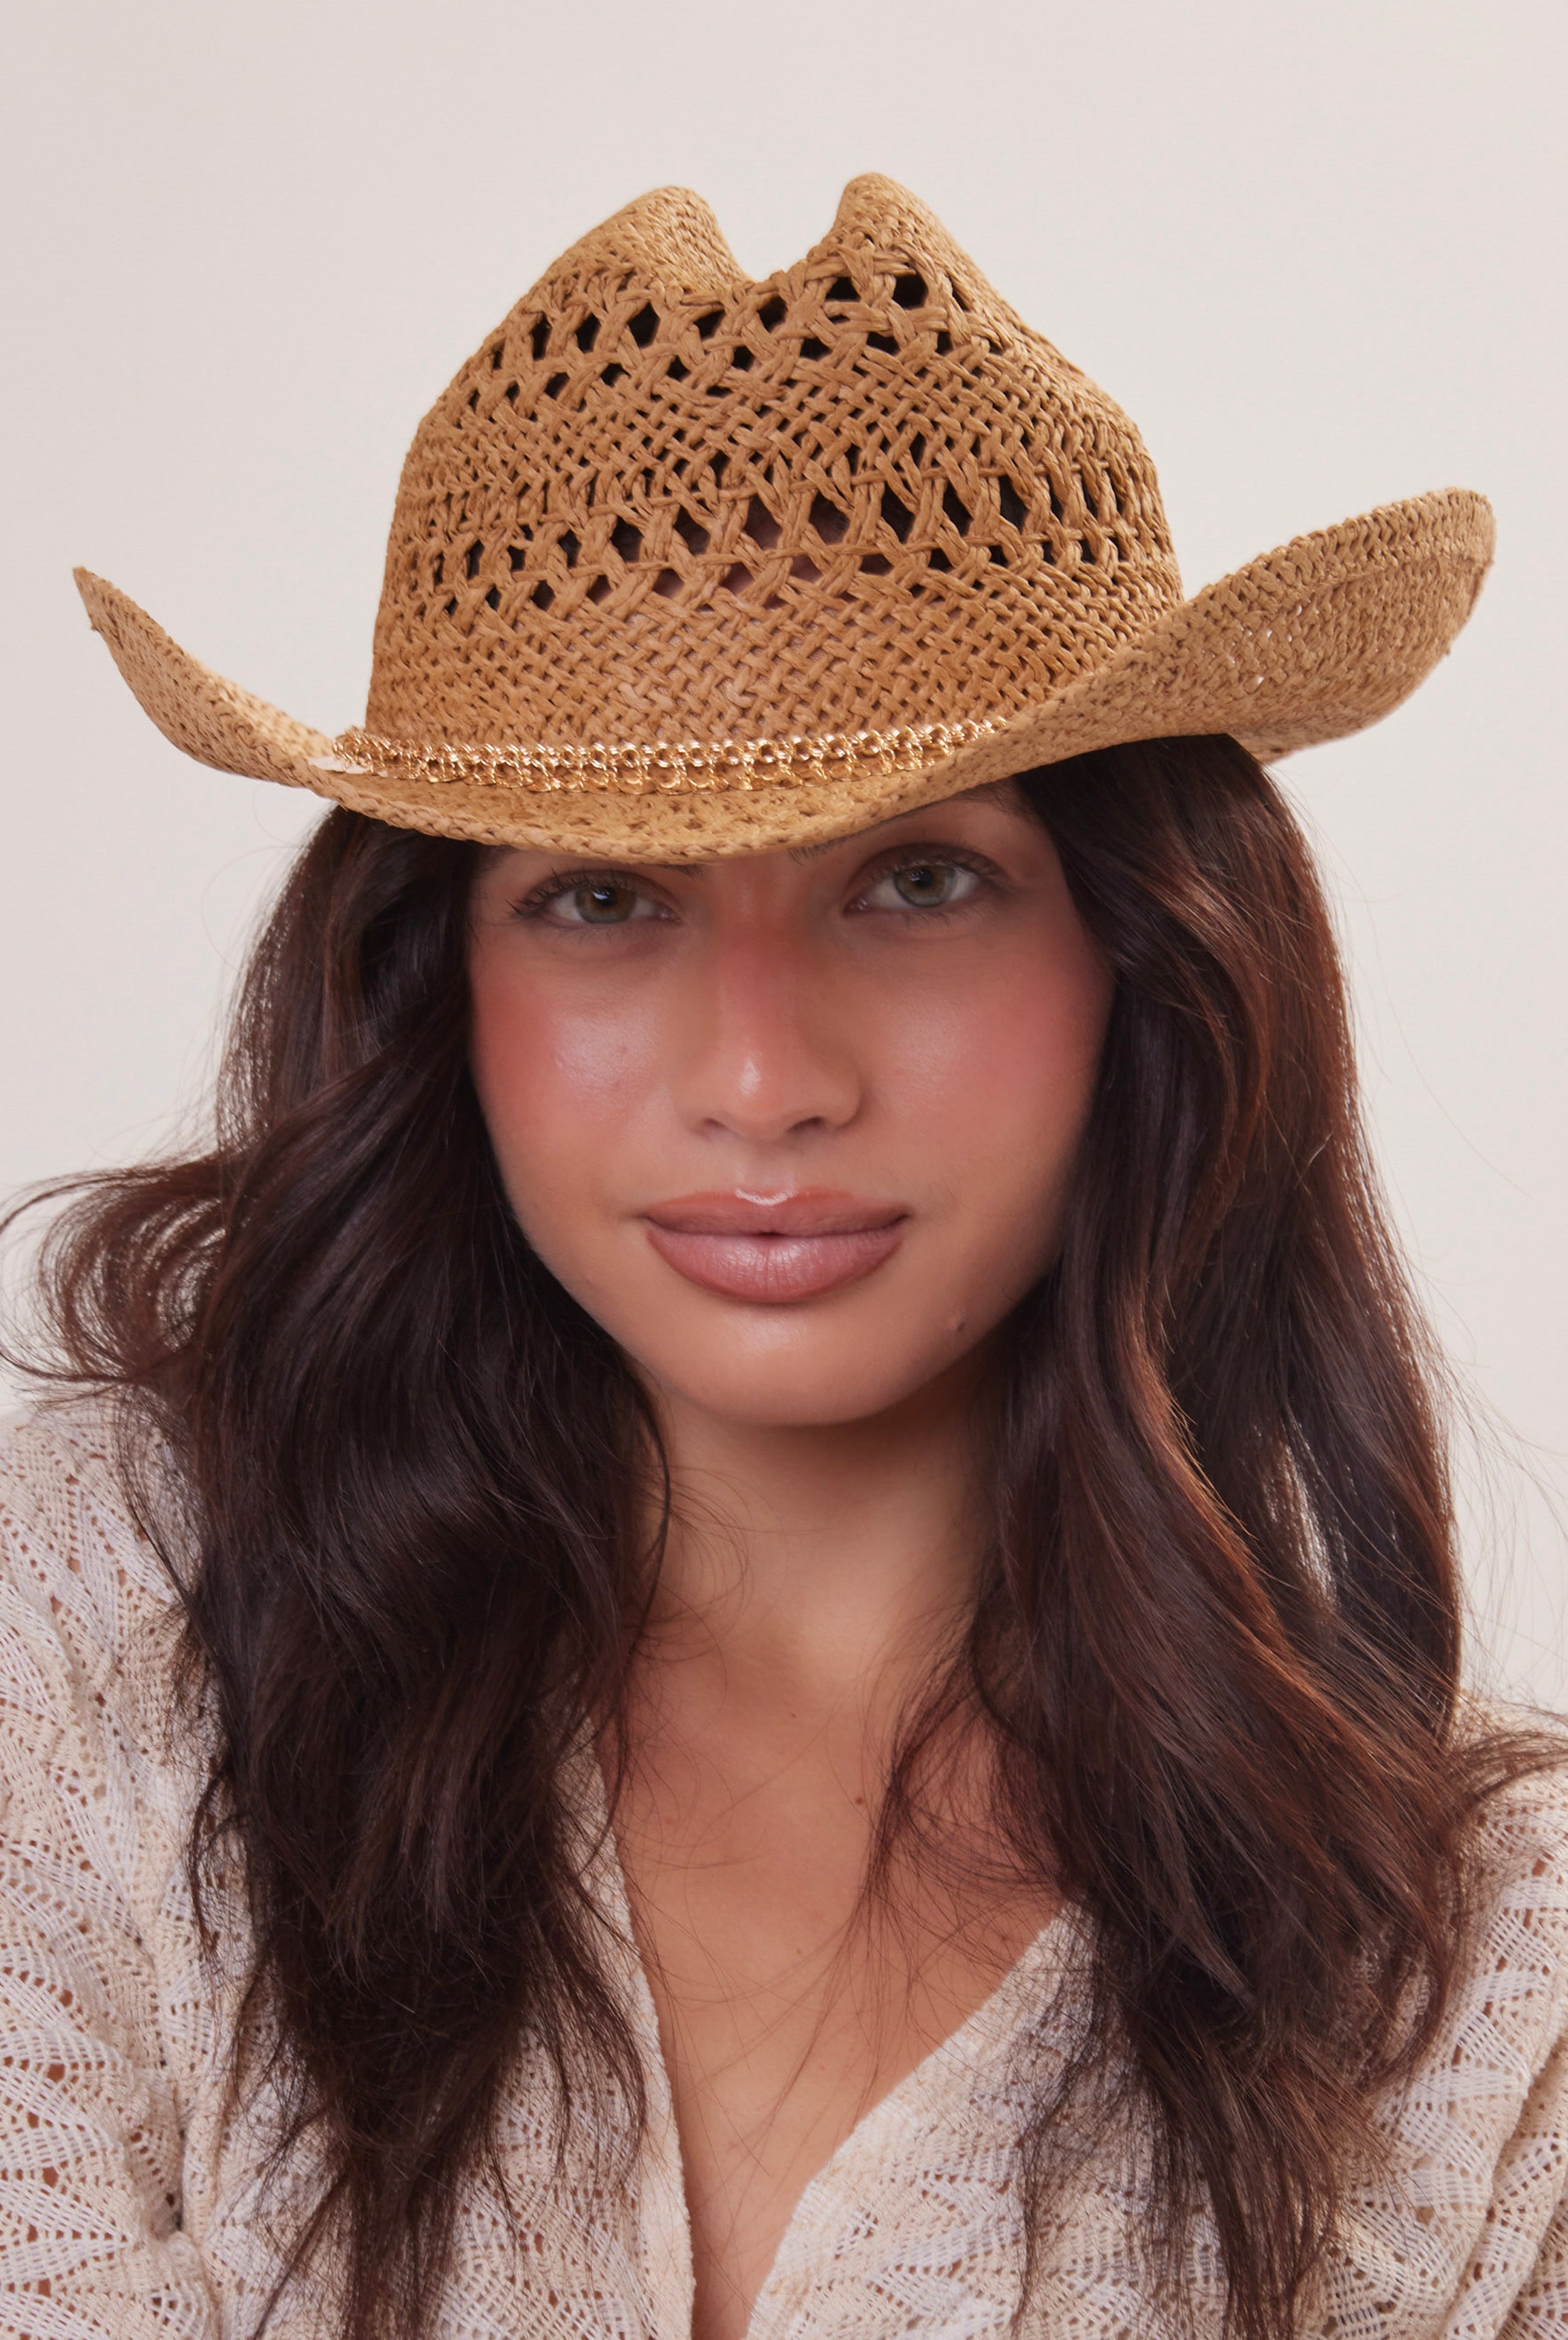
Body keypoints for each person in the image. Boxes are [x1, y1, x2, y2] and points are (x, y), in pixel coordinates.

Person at [1, 175, 1564, 2340]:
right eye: (604, 895)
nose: (761, 1073)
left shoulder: (1497, 1992)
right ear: (430, 975)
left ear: (1153, 955)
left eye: (920, 880)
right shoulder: (81, 1666)